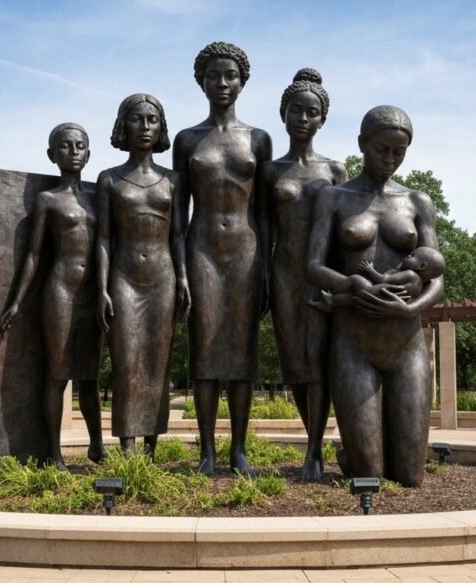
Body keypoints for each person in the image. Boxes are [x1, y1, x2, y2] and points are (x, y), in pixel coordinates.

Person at [307, 105, 445, 487]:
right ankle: (353, 453)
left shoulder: (418, 202)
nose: (389, 159)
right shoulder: (334, 198)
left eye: (398, 152)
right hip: (354, 340)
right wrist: (351, 284)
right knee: (368, 475)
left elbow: (437, 277)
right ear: (361, 145)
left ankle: (372, 448)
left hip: (407, 342)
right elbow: (314, 266)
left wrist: (410, 308)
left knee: (410, 477)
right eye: (381, 149)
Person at [174, 41, 272, 475]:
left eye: (230, 75)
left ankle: (238, 450)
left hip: (247, 253)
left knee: (242, 356)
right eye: (214, 75)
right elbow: (177, 215)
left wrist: (267, 269)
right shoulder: (187, 140)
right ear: (201, 81)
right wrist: (180, 271)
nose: (222, 83)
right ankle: (207, 451)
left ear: (243, 81)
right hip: (203, 251)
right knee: (205, 355)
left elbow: (266, 212)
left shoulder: (259, 139)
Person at [0, 122, 106, 469]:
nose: (74, 151)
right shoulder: (48, 199)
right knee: (58, 375)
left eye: (80, 145)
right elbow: (34, 255)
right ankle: (54, 454)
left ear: (89, 153)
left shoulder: (101, 198)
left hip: (94, 295)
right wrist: (16, 300)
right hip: (61, 290)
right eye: (66, 146)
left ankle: (97, 446)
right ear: (51, 155)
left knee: (90, 377)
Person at [261, 68, 346, 480]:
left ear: (322, 120)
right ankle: (311, 436)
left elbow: (347, 230)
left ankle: (314, 449)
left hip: (321, 274)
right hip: (283, 273)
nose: (303, 118)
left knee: (318, 360)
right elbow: (262, 229)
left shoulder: (335, 170)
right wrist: (261, 277)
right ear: (284, 113)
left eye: (312, 112)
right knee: (293, 361)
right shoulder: (271, 171)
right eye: (296, 110)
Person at [97, 93, 190, 457]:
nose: (145, 127)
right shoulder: (109, 179)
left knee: (157, 362)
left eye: (152, 120)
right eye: (138, 119)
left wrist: (183, 277)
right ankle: (127, 445)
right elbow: (104, 237)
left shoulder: (173, 180)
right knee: (126, 361)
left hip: (163, 278)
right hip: (124, 278)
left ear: (161, 127)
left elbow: (179, 233)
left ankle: (151, 446)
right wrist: (102, 286)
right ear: (124, 124)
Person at [311, 246, 445, 311]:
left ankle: (335, 291)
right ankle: (332, 302)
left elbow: (383, 280)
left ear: (422, 266)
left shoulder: (410, 274)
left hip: (377, 293)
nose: (407, 256)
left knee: (356, 280)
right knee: (354, 298)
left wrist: (370, 269)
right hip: (383, 299)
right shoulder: (418, 284)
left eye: (412, 255)